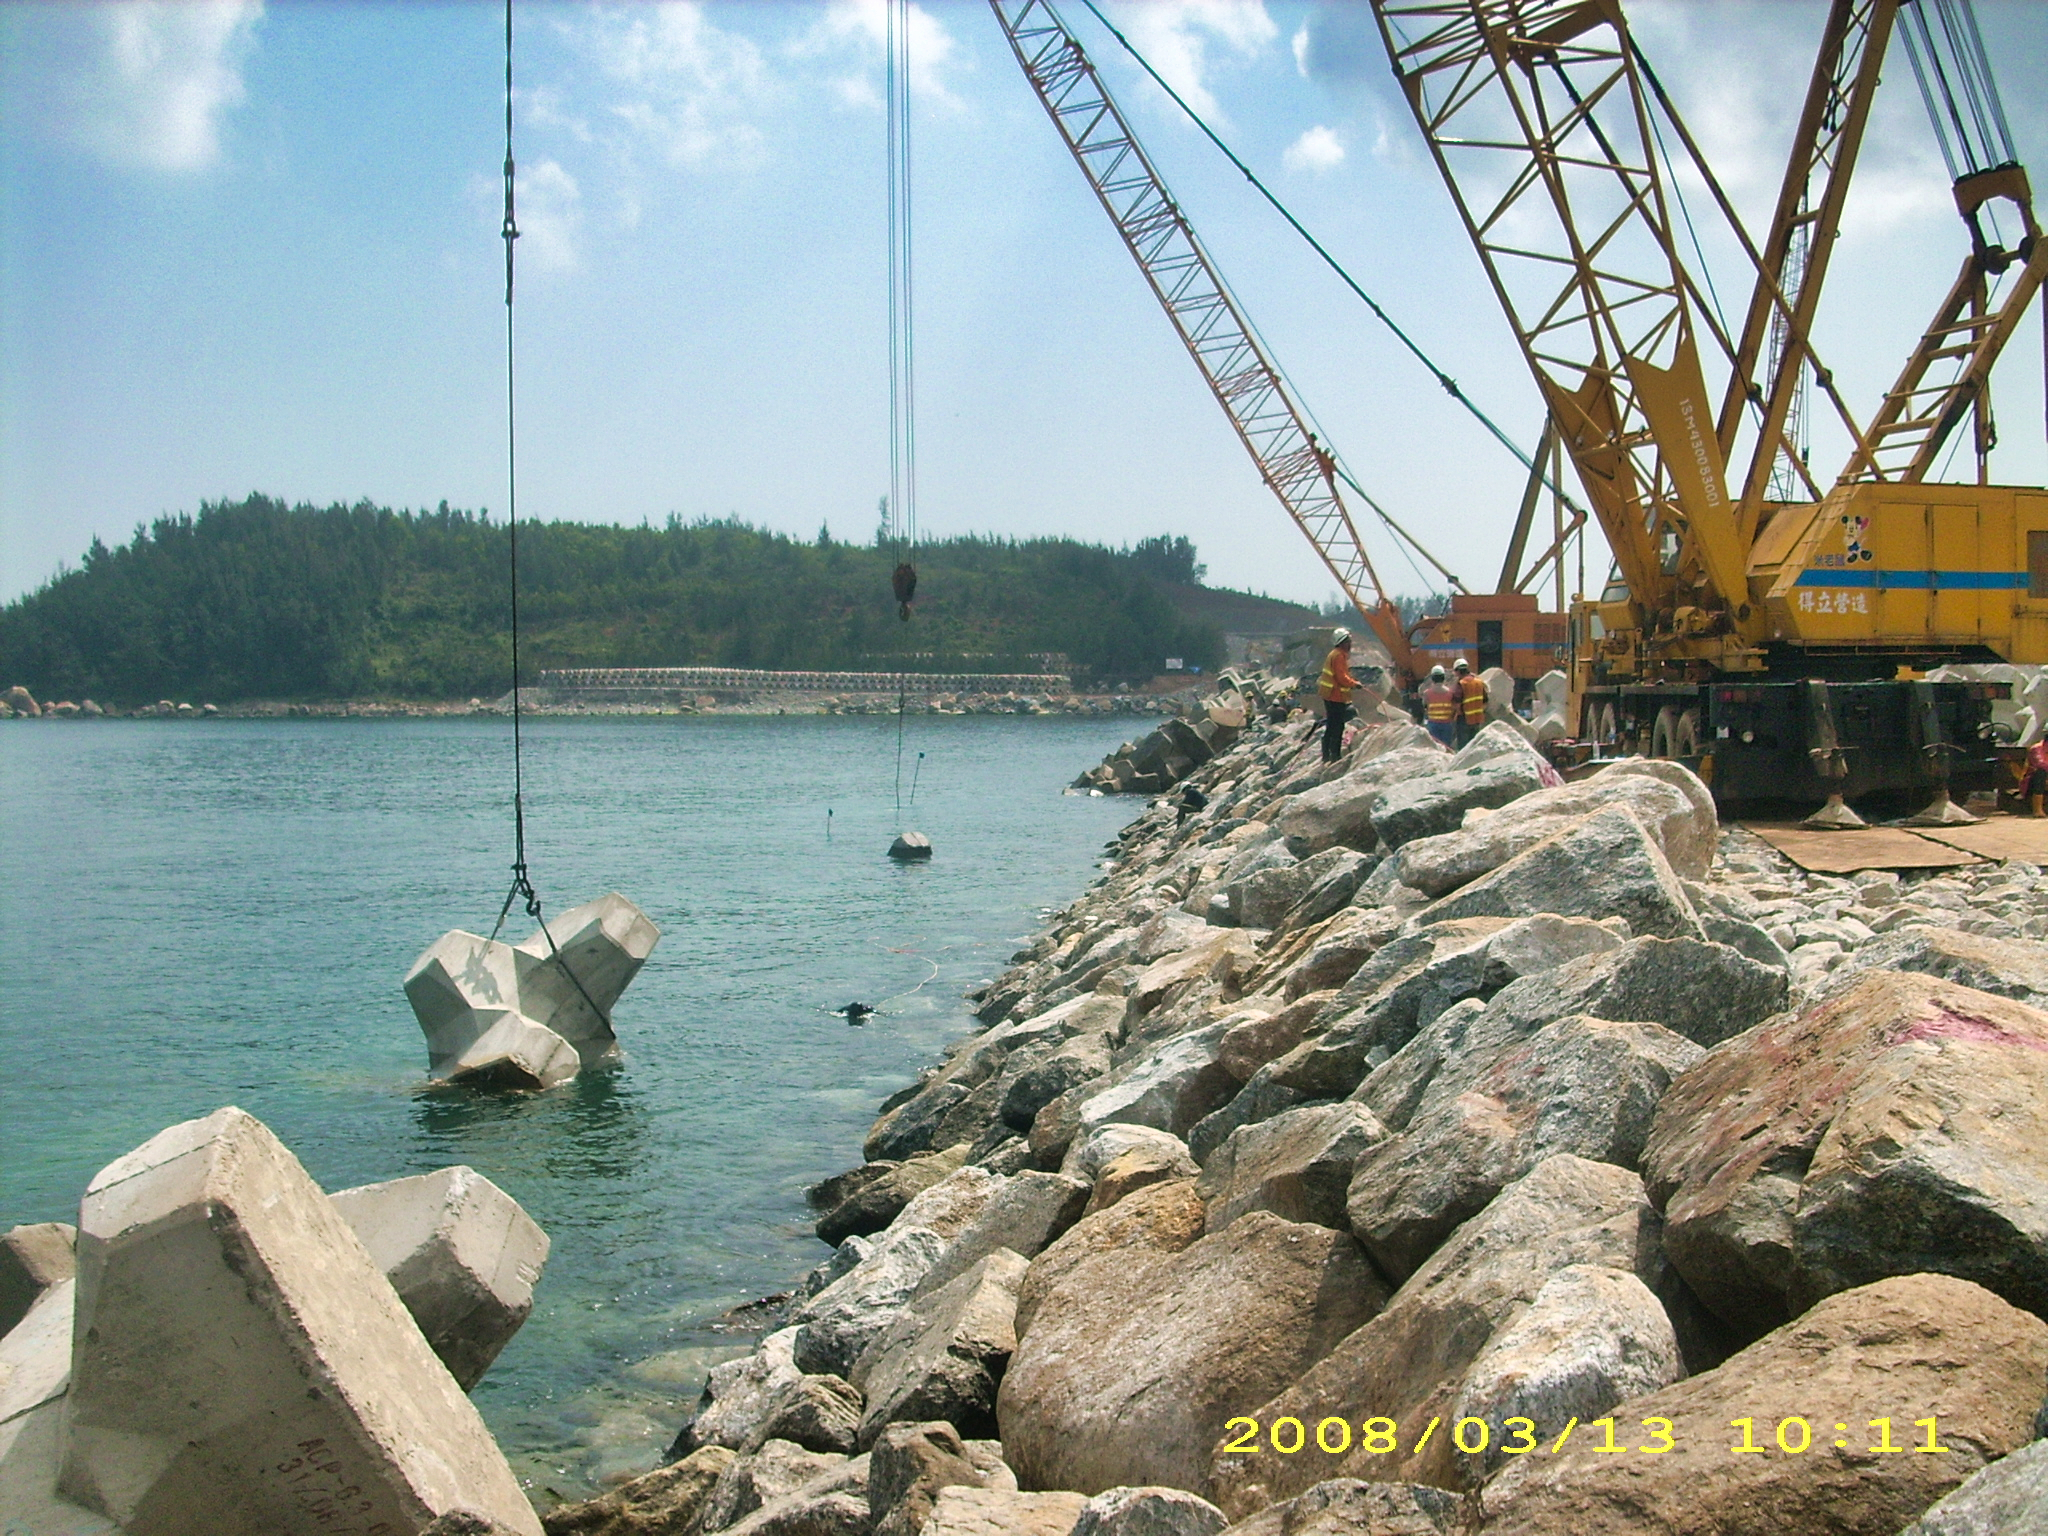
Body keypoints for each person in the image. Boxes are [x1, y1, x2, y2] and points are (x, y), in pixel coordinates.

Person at [1318, 628, 1357, 763]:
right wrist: (1354, 683)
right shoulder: (1339, 656)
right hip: (1335, 696)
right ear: (1342, 642)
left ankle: (1326, 754)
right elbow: (1341, 677)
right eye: (1348, 642)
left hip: (1330, 695)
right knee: (1337, 726)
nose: (1350, 644)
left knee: (1331, 725)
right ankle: (1334, 755)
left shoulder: (1334, 654)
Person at [1452, 657, 1487, 748]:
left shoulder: (1462, 683)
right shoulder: (1479, 682)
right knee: (1474, 746)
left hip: (1464, 719)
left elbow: (1457, 702)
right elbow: (1485, 701)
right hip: (1477, 719)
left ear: (1458, 671)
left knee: (1463, 747)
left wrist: (1454, 714)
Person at [1421, 664, 1458, 748]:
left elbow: (1425, 707)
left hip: (1433, 724)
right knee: (1446, 747)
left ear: (1432, 678)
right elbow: (1455, 708)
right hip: (1447, 724)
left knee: (1435, 748)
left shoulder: (1427, 693)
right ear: (1443, 678)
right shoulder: (1451, 693)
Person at [2028, 735, 2048, 817]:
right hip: (2031, 779)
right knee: (2040, 773)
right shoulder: (2037, 748)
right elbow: (2040, 764)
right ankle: (2037, 810)